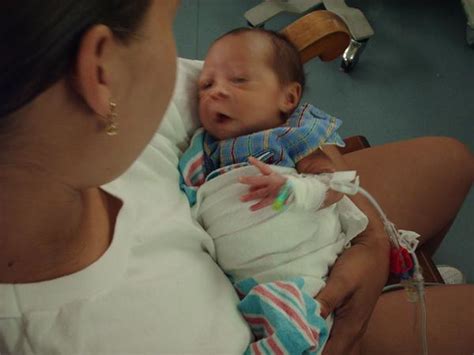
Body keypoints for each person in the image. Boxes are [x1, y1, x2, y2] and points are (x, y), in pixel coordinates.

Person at [0, 0, 473, 354]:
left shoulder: (83, 126)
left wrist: (366, 233)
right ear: (101, 72)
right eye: (169, 24)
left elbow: (260, 105)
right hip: (301, 318)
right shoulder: (104, 336)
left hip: (305, 217)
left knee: (450, 162)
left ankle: (402, 271)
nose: (206, 87)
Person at [179, 28, 374, 354]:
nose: (216, 92)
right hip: (248, 279)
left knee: (299, 317)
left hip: (304, 261)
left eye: (238, 80)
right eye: (206, 85)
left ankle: (394, 288)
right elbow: (191, 191)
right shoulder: (203, 148)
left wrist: (291, 191)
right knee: (270, 314)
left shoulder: (291, 136)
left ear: (288, 97)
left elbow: (334, 186)